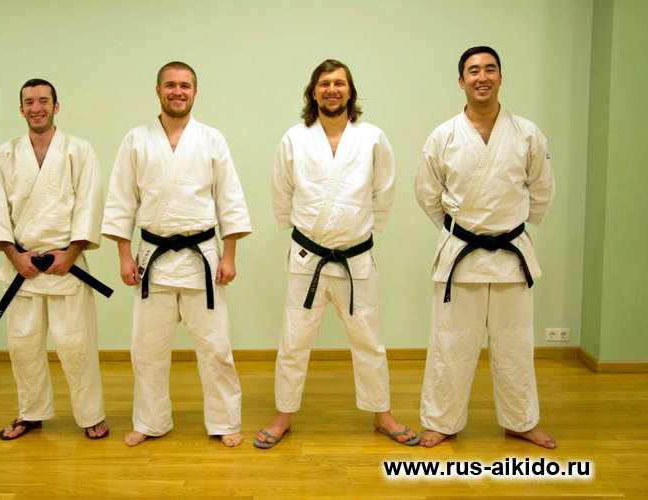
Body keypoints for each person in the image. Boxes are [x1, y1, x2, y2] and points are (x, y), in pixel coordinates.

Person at [255, 59, 419, 449]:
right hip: (306, 257)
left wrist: (361, 228)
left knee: (369, 341)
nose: (332, 90)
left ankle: (381, 413)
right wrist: (302, 230)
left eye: (339, 83)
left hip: (355, 257)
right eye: (325, 83)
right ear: (313, 92)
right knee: (294, 341)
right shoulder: (294, 138)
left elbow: (385, 190)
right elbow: (281, 191)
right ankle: (283, 415)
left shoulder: (372, 138)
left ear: (350, 91)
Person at [102, 61, 252, 448]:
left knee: (216, 348)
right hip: (152, 258)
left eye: (185, 86)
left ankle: (224, 420)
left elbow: (229, 199)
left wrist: (229, 255)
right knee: (146, 350)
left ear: (195, 92)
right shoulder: (136, 140)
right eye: (170, 85)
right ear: (158, 91)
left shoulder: (212, 139)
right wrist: (124, 256)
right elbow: (121, 200)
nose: (177, 91)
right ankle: (150, 420)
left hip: (203, 258)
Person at [414, 46, 557, 449]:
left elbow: (542, 189)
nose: (482, 77)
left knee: (516, 345)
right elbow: (427, 193)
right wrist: (461, 230)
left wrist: (510, 226)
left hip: (511, 257)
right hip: (461, 256)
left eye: (490, 69)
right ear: (461, 81)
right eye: (474, 71)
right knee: (450, 343)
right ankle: (442, 421)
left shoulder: (527, 133)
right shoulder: (443, 136)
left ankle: (521, 421)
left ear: (500, 77)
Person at [0, 78, 109, 440]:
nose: (36, 108)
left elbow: (89, 205)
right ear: (21, 109)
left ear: (56, 106)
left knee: (77, 345)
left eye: (43, 101)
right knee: (23, 345)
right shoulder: (5, 154)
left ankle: (91, 414)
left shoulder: (79, 150)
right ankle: (31, 413)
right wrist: (14, 256)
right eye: (29, 102)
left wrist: (71, 254)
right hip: (22, 267)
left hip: (65, 266)